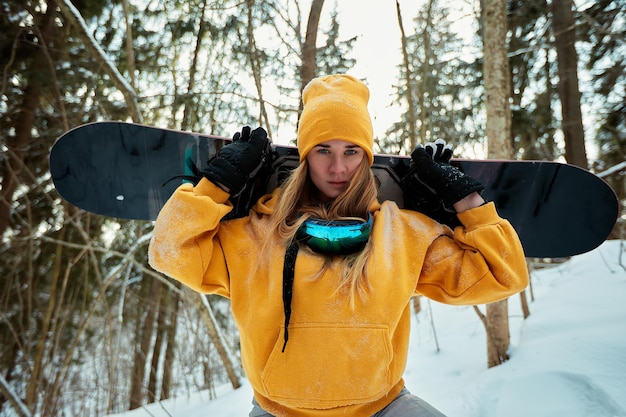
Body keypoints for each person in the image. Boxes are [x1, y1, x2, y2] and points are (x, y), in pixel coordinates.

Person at [148, 74, 529, 417]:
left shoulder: (403, 233)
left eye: (351, 151)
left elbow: (503, 276)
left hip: (382, 406)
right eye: (323, 150)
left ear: (366, 157)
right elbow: (170, 251)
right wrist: (217, 184)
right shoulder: (257, 234)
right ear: (304, 157)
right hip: (279, 410)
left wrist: (465, 201)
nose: (338, 169)